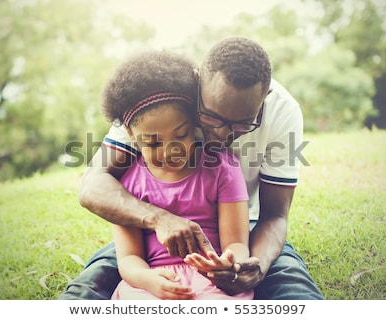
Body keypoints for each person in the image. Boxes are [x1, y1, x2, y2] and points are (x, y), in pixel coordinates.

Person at [59, 36, 324, 300]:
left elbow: (275, 216)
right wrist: (160, 219)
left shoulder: (283, 111)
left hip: (244, 232)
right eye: (211, 117)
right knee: (86, 292)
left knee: (296, 292)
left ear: (265, 98)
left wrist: (256, 265)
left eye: (242, 124)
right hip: (153, 238)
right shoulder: (161, 96)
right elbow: (93, 185)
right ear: (197, 84)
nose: (222, 134)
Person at [99, 50, 253, 300]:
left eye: (181, 135)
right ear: (129, 133)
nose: (171, 151)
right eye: (152, 142)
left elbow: (236, 243)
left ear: (195, 123)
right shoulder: (128, 184)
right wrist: (148, 280)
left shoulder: (224, 169)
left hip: (212, 282)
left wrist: (228, 263)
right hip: (152, 282)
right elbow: (129, 257)